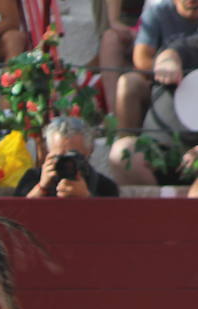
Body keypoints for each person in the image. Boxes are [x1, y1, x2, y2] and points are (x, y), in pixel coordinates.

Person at [110, 30, 198, 185]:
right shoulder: (191, 43)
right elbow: (170, 53)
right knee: (123, 152)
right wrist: (168, 63)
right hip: (159, 153)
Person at [112, 0, 198, 134]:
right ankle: (126, 145)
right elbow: (141, 58)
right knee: (128, 83)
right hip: (163, 86)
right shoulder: (157, 12)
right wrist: (165, 68)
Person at [15, 116, 119, 198]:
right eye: (59, 156)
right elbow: (16, 217)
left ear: (89, 151)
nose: (67, 162)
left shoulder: (105, 186)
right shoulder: (32, 178)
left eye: (74, 156)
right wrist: (41, 187)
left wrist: (87, 198)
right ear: (48, 151)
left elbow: (110, 220)